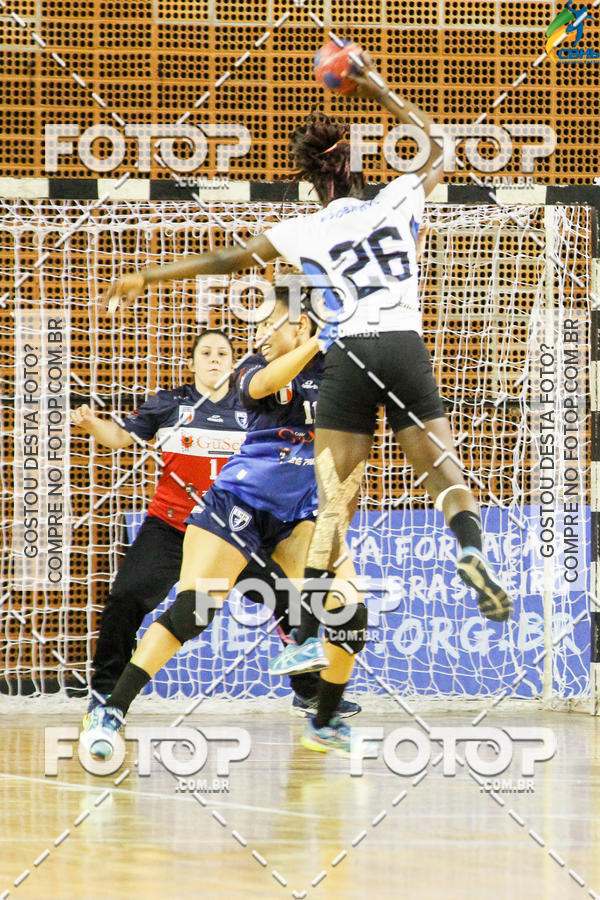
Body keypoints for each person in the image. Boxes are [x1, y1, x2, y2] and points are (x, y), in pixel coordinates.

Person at [103, 56, 511, 755]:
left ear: (310, 180)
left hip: (341, 382)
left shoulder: (308, 242)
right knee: (439, 470)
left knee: (335, 531)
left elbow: (230, 261)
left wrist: (149, 271)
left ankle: (312, 664)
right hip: (381, 362)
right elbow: (440, 147)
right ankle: (466, 547)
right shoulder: (388, 210)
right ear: (356, 170)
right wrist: (375, 81)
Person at [81, 291, 363, 760]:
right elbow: (262, 385)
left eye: (269, 323)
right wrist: (314, 345)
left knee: (350, 611)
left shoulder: (339, 370)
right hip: (236, 509)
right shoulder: (255, 367)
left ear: (301, 324)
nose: (259, 335)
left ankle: (322, 716)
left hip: (299, 515)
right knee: (193, 612)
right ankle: (110, 710)